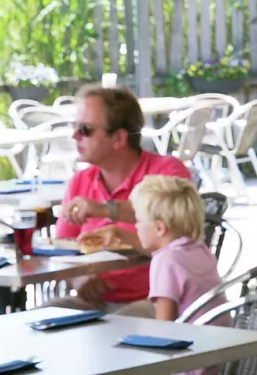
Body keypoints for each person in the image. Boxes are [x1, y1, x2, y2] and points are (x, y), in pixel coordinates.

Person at [98, 176, 226, 375]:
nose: (135, 227)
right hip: (214, 367)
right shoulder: (198, 249)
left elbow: (163, 333)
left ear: (158, 228)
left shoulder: (165, 261)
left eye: (138, 221)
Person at [52, 86, 192, 309]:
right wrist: (81, 279)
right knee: (37, 324)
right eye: (74, 127)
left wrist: (106, 209)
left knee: (117, 329)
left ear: (118, 138)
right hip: (96, 301)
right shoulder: (80, 180)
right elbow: (62, 247)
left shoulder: (166, 172)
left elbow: (177, 238)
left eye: (85, 129)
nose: (74, 136)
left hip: (158, 299)